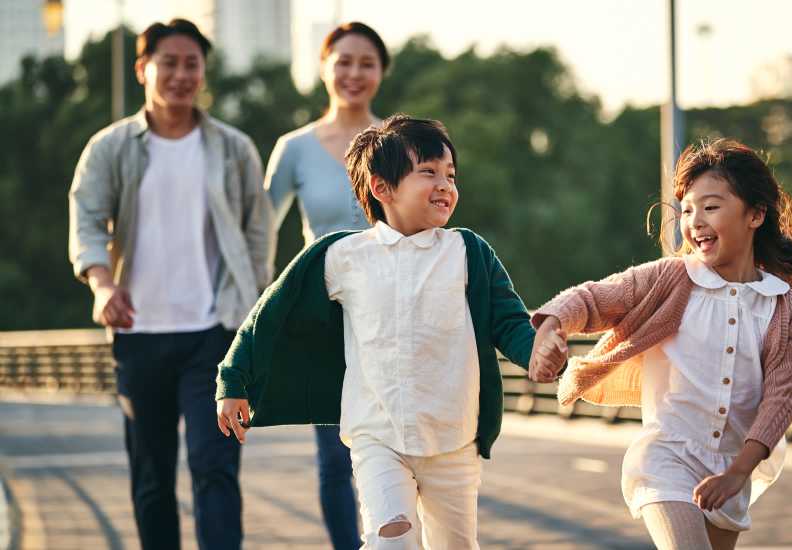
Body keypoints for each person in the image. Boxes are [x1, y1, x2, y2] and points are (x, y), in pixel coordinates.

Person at [216, 115, 566, 549]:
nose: (445, 185)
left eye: (451, 175)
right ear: (382, 188)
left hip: (453, 439)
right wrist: (234, 378)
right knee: (390, 541)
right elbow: (270, 313)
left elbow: (509, 321)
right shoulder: (343, 256)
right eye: (428, 172)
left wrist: (537, 352)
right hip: (376, 436)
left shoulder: (468, 252)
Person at [530, 139, 792, 550]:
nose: (694, 222)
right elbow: (593, 298)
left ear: (755, 215)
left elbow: (780, 399)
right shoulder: (670, 279)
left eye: (710, 207)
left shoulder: (785, 309)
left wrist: (739, 472)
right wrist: (551, 326)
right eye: (687, 209)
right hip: (666, 456)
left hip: (733, 463)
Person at [67, 18, 272, 550]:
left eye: (192, 64)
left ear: (204, 71)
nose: (181, 75)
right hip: (140, 336)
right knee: (152, 478)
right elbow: (86, 219)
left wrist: (254, 318)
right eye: (169, 63)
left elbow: (257, 234)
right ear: (143, 69)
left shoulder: (233, 149)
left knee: (215, 467)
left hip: (216, 334)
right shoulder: (110, 148)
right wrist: (102, 286)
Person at [264, 21, 390, 549]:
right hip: (325, 316)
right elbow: (257, 234)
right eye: (343, 61)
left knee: (395, 449)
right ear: (323, 68)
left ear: (381, 72)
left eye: (366, 62)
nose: (353, 73)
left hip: (393, 313)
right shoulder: (293, 148)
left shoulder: (399, 142)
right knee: (334, 457)